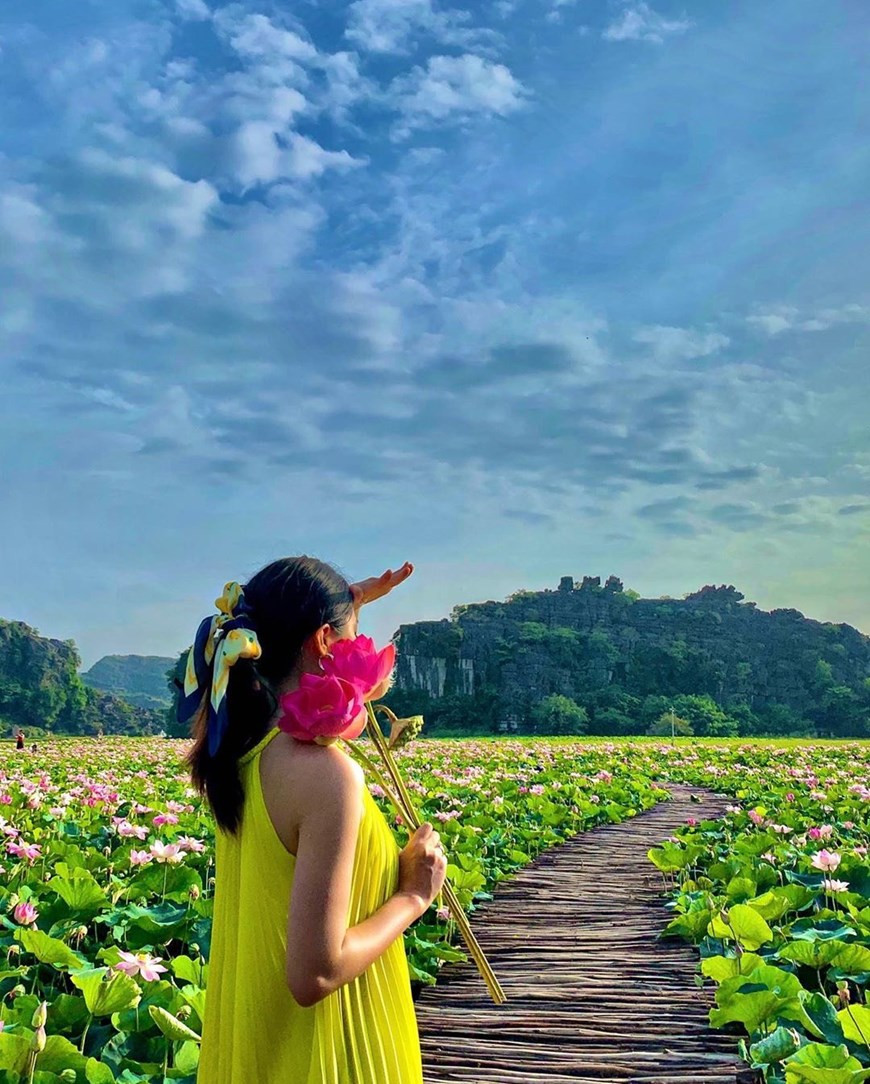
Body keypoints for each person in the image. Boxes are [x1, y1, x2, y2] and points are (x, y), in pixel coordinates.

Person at [185, 556, 446, 1084]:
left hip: (266, 1046)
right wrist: (414, 897)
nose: (363, 647)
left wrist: (347, 604)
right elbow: (316, 973)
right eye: (353, 635)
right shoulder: (327, 775)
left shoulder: (242, 751)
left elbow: (307, 643)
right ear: (324, 641)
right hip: (331, 1053)